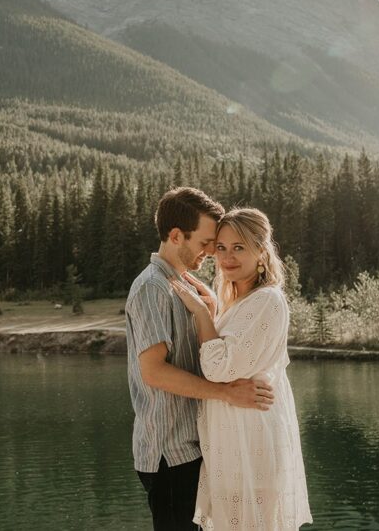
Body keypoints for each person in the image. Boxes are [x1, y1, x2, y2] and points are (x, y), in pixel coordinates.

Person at [126, 188, 275, 531]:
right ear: (176, 236)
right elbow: (154, 372)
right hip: (170, 453)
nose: (212, 252)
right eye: (206, 242)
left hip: (191, 449)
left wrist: (212, 312)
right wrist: (226, 393)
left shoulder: (181, 285)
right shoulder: (153, 287)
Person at [172, 207, 311, 530]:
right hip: (235, 444)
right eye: (220, 248)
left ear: (261, 250)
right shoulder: (240, 301)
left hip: (253, 445)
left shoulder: (267, 301)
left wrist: (202, 315)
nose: (227, 258)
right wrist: (214, 309)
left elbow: (218, 367)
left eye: (239, 248)